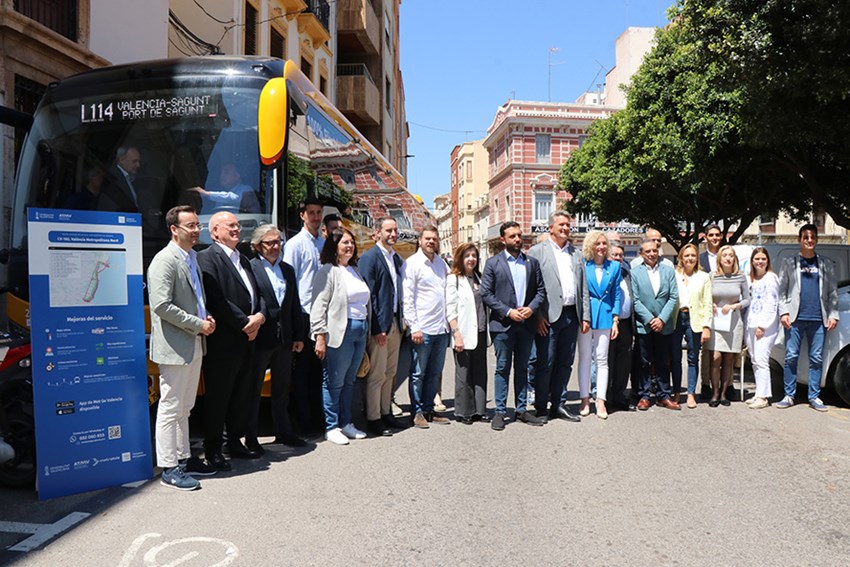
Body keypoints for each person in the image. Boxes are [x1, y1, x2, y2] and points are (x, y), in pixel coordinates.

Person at [148, 206, 217, 490]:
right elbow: (161, 305)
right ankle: (169, 467)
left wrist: (205, 317)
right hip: (176, 345)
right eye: (190, 225)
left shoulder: (191, 257)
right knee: (171, 407)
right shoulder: (164, 260)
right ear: (174, 229)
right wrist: (197, 324)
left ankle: (184, 458)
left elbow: (194, 299)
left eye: (197, 225)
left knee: (185, 407)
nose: (196, 230)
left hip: (193, 341)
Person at [197, 211, 266, 470]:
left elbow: (257, 292)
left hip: (248, 339)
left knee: (241, 395)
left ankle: (234, 442)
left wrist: (259, 317)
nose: (237, 229)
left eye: (237, 225)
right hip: (224, 342)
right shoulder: (206, 258)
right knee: (219, 398)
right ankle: (213, 449)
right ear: (214, 231)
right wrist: (244, 323)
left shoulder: (244, 258)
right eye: (230, 226)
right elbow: (216, 299)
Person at [480, 221, 546, 431]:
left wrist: (531, 309)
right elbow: (486, 293)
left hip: (526, 324)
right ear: (503, 240)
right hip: (503, 325)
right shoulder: (493, 263)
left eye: (519, 235)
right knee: (502, 368)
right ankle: (500, 411)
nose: (518, 239)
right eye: (512, 236)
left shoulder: (531, 263)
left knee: (523, 367)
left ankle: (521, 409)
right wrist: (509, 311)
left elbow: (540, 291)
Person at [248, 224, 307, 448]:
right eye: (270, 243)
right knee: (253, 390)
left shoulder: (287, 269)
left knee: (281, 389)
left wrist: (298, 335)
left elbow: (294, 304)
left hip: (285, 339)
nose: (275, 247)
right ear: (257, 246)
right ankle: (251, 438)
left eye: (278, 242)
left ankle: (284, 432)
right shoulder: (250, 268)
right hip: (261, 338)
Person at [311, 228, 371, 445]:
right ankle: (332, 426)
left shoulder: (354, 270)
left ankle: (346, 423)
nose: (350, 246)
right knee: (334, 382)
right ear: (334, 246)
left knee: (349, 380)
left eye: (352, 242)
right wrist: (319, 336)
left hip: (360, 330)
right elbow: (318, 305)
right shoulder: (328, 271)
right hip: (340, 332)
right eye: (345, 242)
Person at [527, 211, 588, 423]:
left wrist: (585, 316)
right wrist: (537, 315)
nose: (565, 228)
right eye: (561, 224)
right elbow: (530, 288)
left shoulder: (576, 253)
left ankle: (559, 404)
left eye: (568, 225)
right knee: (546, 362)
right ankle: (541, 407)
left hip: (571, 315)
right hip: (548, 317)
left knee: (565, 362)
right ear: (550, 227)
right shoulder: (537, 252)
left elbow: (583, 287)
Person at [776, 224, 840, 411]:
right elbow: (782, 291)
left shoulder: (825, 264)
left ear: (817, 240)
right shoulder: (789, 262)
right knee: (791, 356)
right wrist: (784, 312)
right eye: (806, 237)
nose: (809, 240)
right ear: (800, 240)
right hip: (794, 318)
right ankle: (789, 395)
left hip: (819, 318)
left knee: (816, 358)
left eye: (812, 237)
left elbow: (832, 292)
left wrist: (833, 314)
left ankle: (814, 397)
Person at [358, 217, 406, 436]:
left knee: (390, 372)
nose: (393, 234)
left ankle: (386, 412)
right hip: (380, 326)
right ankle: (373, 418)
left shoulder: (396, 258)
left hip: (395, 322)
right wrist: (377, 328)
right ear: (377, 233)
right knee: (376, 375)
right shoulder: (370, 258)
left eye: (395, 230)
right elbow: (369, 296)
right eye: (388, 230)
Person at [283, 197, 326, 433]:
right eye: (311, 213)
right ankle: (304, 423)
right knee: (302, 372)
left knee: (318, 371)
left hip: (323, 314)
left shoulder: (323, 243)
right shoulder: (295, 245)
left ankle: (318, 418)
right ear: (302, 216)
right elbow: (289, 282)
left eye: (319, 212)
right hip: (304, 314)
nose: (316, 217)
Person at [402, 226, 451, 428]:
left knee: (434, 372)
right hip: (423, 328)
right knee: (418, 373)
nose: (431, 242)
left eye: (434, 239)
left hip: (441, 328)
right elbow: (407, 297)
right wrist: (414, 326)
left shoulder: (441, 264)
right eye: (427, 238)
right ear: (420, 241)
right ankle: (418, 412)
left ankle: (429, 409)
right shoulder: (412, 264)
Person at [632, 238, 680, 410]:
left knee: (663, 361)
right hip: (644, 325)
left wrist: (661, 319)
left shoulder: (668, 271)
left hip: (664, 324)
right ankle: (644, 395)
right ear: (641, 254)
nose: (652, 254)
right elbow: (635, 300)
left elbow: (673, 297)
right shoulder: (635, 272)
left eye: (654, 250)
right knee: (643, 361)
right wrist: (650, 319)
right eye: (648, 251)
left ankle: (663, 395)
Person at [577, 231, 621, 419]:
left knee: (602, 359)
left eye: (604, 243)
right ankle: (584, 398)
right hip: (586, 316)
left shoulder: (615, 266)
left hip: (606, 316)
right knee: (585, 357)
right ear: (590, 246)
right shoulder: (583, 265)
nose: (602, 247)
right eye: (598, 243)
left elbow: (616, 294)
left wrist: (615, 319)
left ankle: (600, 400)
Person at [446, 243, 489, 424]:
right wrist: (457, 334)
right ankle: (464, 412)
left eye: (474, 255)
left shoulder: (480, 278)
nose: (471, 259)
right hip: (462, 332)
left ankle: (480, 410)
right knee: (463, 374)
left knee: (480, 372)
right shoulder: (454, 279)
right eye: (467, 256)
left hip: (480, 331)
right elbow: (450, 309)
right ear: (460, 258)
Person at [705, 245, 750, 407]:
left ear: (734, 258)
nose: (728, 258)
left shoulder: (740, 276)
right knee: (715, 357)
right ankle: (715, 393)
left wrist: (735, 306)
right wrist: (711, 304)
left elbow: (747, 299)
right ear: (719, 258)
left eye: (730, 255)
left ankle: (724, 394)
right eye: (724, 255)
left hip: (733, 321)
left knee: (729, 359)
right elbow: (705, 296)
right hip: (716, 321)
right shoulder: (712, 276)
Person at [671, 243, 713, 409]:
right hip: (676, 318)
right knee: (675, 358)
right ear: (681, 257)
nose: (690, 258)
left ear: (697, 258)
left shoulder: (704, 277)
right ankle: (676, 392)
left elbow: (707, 303)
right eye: (687, 255)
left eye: (693, 255)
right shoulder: (673, 275)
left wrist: (706, 326)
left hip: (694, 319)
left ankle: (690, 393)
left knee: (693, 358)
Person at [745, 247, 780, 409]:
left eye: (763, 259)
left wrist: (763, 325)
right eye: (757, 259)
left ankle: (763, 397)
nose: (760, 262)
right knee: (754, 360)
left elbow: (772, 303)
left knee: (762, 360)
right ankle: (758, 393)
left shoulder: (771, 278)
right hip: (750, 323)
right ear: (752, 261)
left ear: (768, 261)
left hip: (765, 326)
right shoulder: (751, 279)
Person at [606, 241, 635, 412]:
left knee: (624, 362)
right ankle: (606, 398)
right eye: (614, 255)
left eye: (620, 255)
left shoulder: (626, 273)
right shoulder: (604, 272)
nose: (618, 258)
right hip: (608, 323)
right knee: (608, 361)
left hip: (626, 323)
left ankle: (619, 395)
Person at [698, 224, 723, 398]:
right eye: (711, 235)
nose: (714, 238)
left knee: (725, 350)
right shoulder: (700, 259)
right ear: (705, 237)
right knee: (706, 350)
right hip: (705, 308)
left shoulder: (727, 255)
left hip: (725, 308)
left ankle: (726, 385)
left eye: (717, 235)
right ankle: (705, 384)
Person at [189, 163, 259, 213]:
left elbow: (236, 198)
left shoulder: (246, 189)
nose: (222, 175)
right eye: (221, 173)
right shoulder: (220, 194)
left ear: (237, 175)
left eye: (226, 172)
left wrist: (207, 194)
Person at [97, 146, 142, 212]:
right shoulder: (112, 177)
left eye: (139, 161)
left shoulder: (130, 179)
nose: (138, 165)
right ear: (122, 160)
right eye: (134, 161)